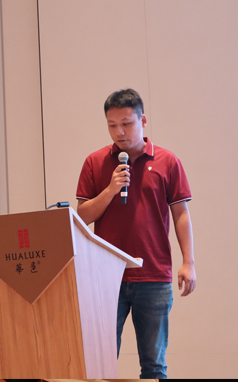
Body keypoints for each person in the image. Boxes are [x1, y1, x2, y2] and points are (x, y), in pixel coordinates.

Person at [75, 88, 196, 379]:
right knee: (99, 363)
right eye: (112, 125)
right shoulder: (95, 162)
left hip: (153, 275)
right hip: (106, 277)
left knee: (154, 365)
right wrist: (110, 190)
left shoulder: (167, 161)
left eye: (126, 123)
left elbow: (180, 214)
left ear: (142, 121)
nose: (119, 132)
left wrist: (188, 262)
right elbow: (82, 217)